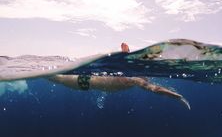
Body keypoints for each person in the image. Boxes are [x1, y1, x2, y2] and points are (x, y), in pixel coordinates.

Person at [48, 43, 190, 109]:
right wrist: (179, 97)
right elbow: (155, 89)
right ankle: (45, 68)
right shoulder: (135, 79)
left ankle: (46, 69)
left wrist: (125, 52)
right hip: (83, 82)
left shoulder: (131, 75)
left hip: (85, 82)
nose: (148, 78)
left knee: (55, 77)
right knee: (54, 77)